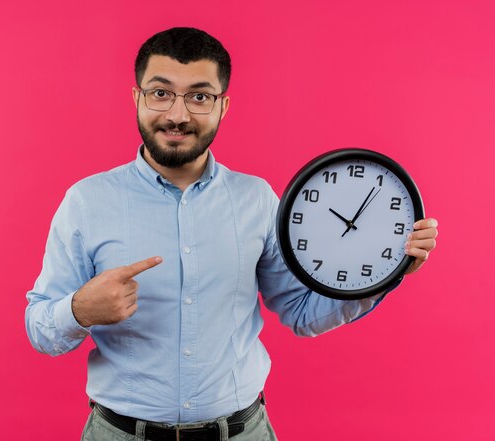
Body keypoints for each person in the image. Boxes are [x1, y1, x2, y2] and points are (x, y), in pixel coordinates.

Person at [25, 27, 438, 440]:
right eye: (161, 93)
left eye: (200, 97)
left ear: (223, 106)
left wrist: (388, 271)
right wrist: (80, 310)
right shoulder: (87, 200)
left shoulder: (256, 199)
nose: (177, 115)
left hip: (243, 432)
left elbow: (301, 313)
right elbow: (39, 327)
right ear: (137, 97)